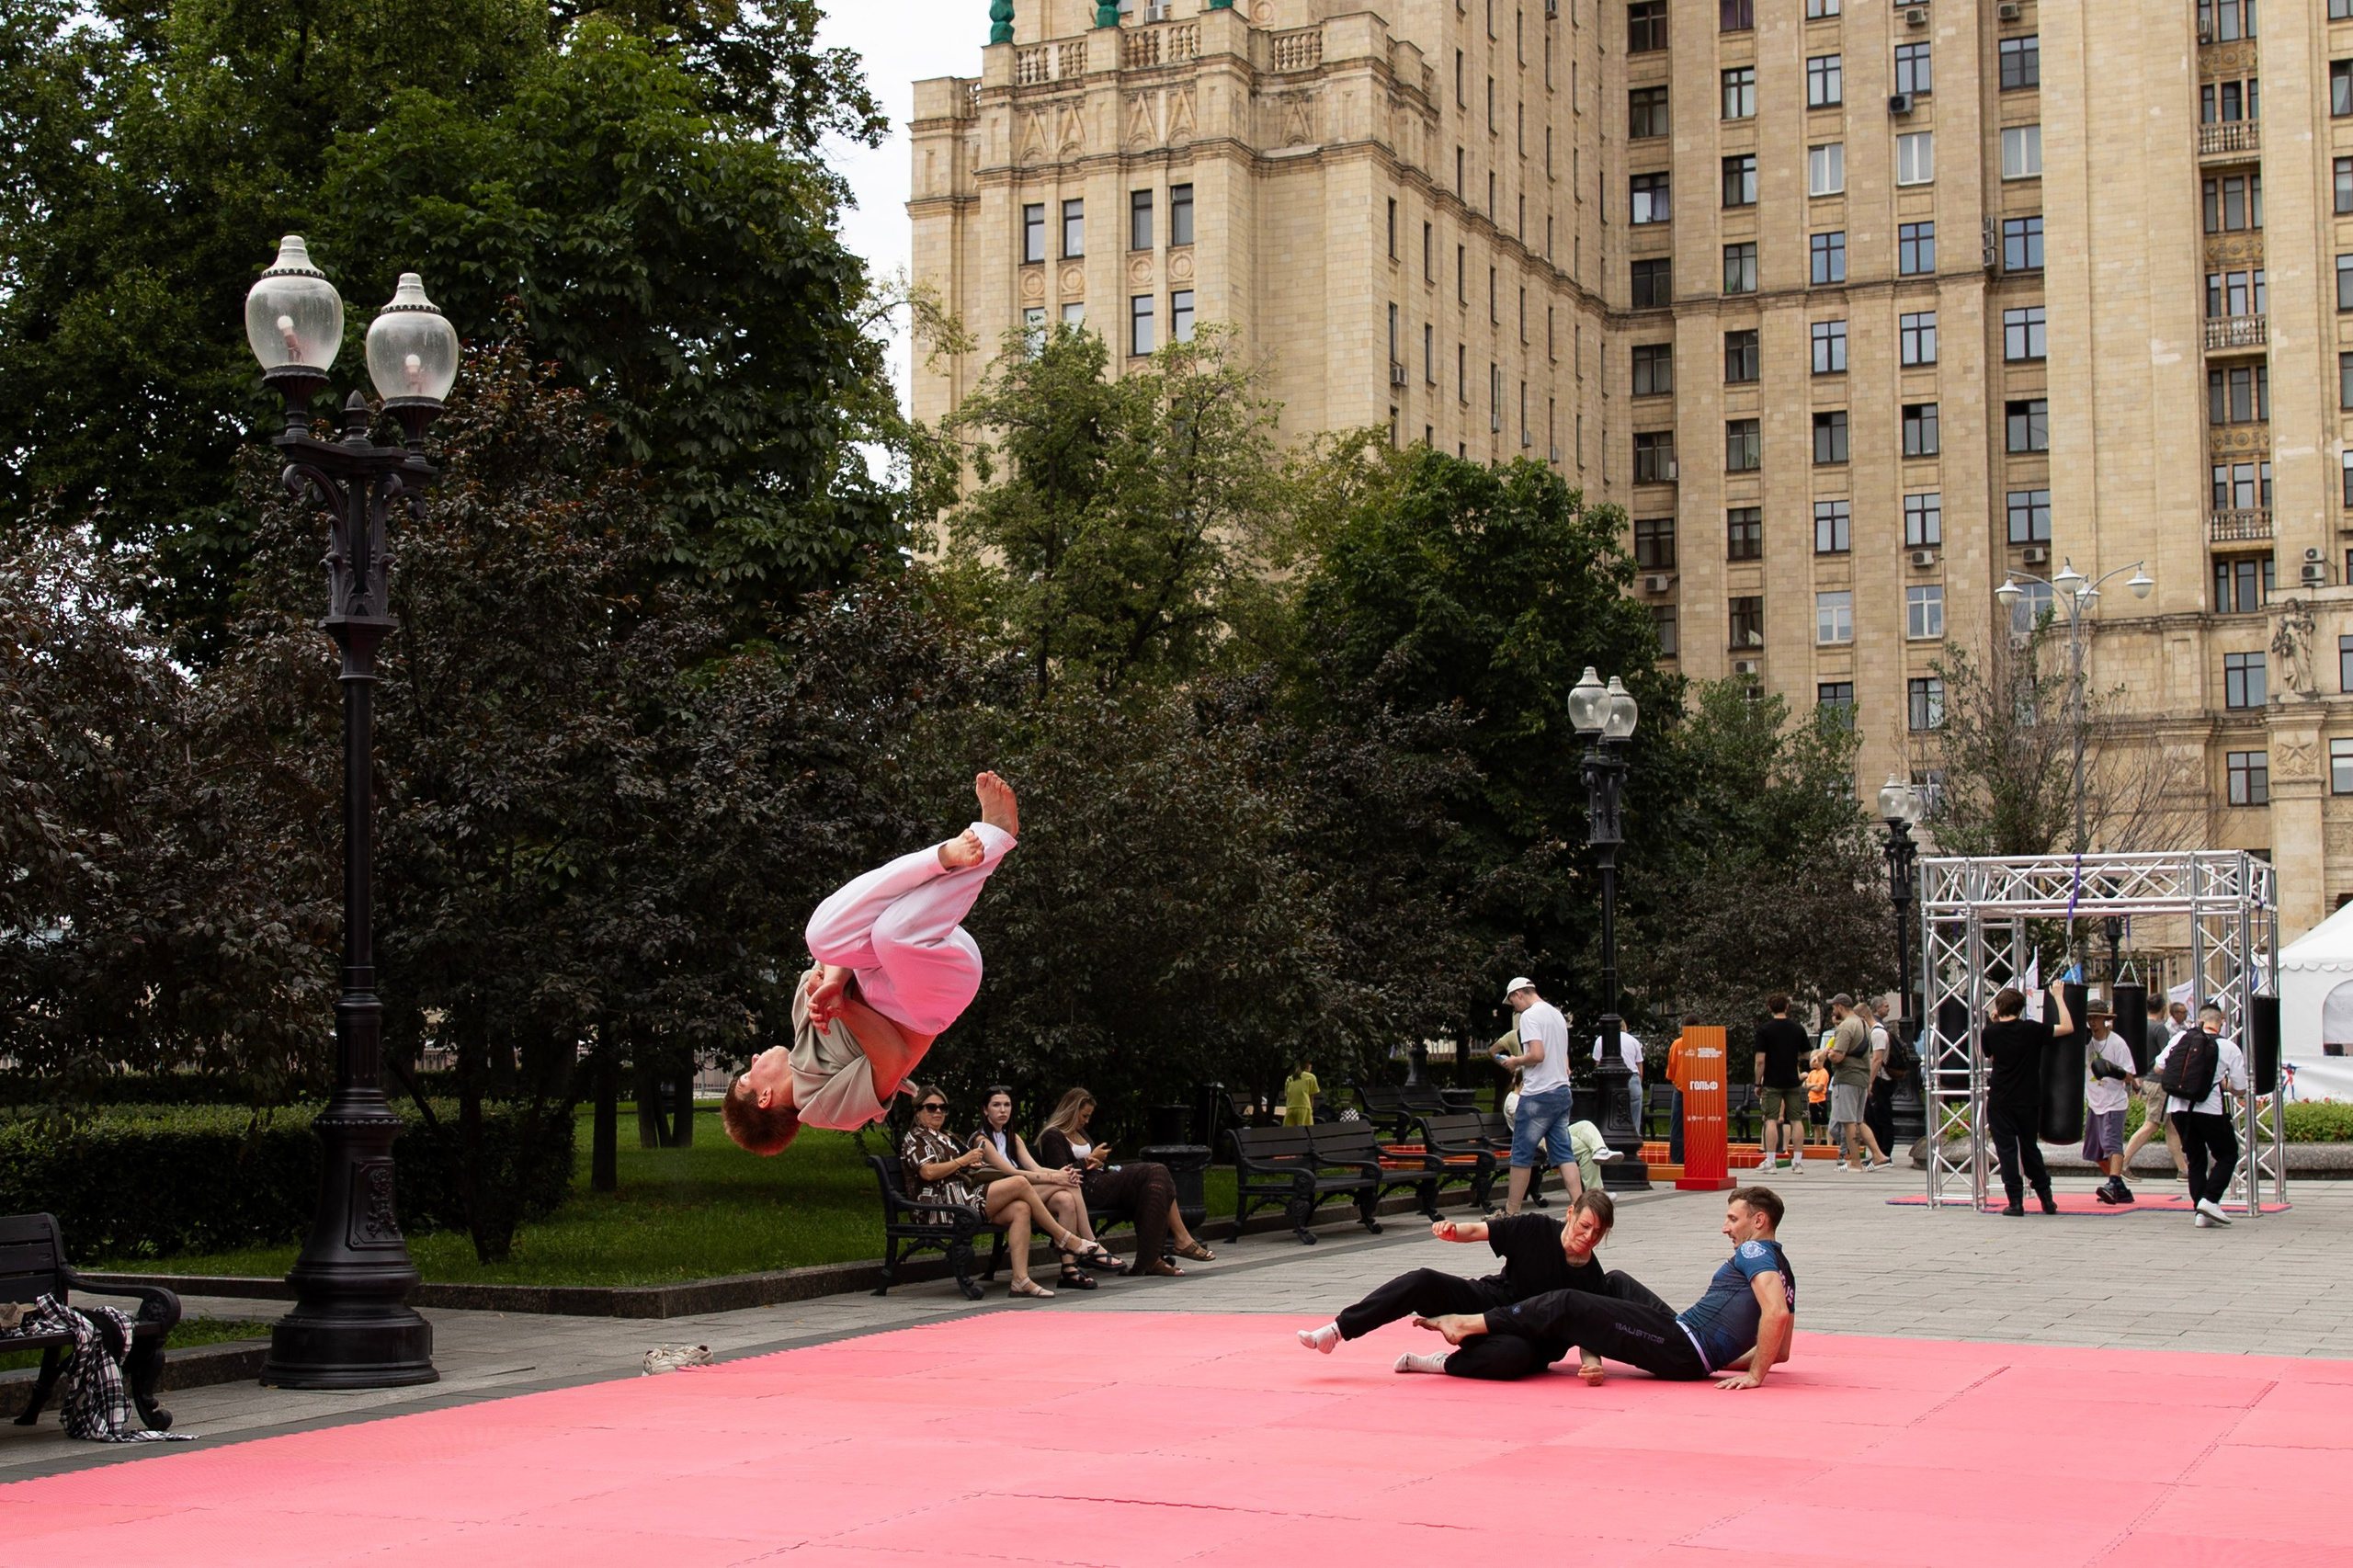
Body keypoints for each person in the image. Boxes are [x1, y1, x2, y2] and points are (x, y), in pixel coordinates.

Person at [724, 774, 1019, 1153]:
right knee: (891, 935)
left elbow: (833, 955)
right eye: (749, 1076)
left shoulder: (802, 1023)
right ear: (764, 1098)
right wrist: (843, 1008)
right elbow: (894, 1059)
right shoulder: (826, 1109)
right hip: (929, 995)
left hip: (917, 942)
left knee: (822, 935)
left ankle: (948, 854)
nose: (753, 1060)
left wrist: (833, 981)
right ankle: (994, 837)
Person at [1413, 1187, 1797, 1391]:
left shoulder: (1753, 1250)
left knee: (1567, 1302)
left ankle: (1469, 1325)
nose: (1725, 1227)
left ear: (1758, 1220)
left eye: (1733, 1218)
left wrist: (1754, 1376)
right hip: (1686, 1344)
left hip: (1682, 1347)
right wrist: (1724, 1360)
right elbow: (1780, 1351)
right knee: (1613, 1282)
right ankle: (1591, 1354)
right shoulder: (1785, 1269)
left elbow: (1775, 1314)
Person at [1293, 1191, 1619, 1381]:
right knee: (1424, 1280)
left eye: (1597, 1233)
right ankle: (1336, 1331)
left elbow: (1589, 1332)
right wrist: (1453, 1230)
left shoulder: (1592, 1276)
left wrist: (1592, 1366)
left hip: (1525, 1340)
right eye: (1585, 1226)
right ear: (1571, 1213)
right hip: (1489, 1301)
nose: (1588, 1237)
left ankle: (1437, 1363)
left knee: (1513, 1358)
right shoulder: (1535, 1228)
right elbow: (1480, 1231)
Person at [899, 1085, 1095, 1298]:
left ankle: (1020, 1280)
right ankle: (1064, 1238)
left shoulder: (947, 1136)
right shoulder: (915, 1138)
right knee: (1019, 1182)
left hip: (965, 1197)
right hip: (941, 1206)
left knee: (1020, 1208)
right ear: (918, 1111)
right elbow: (927, 1172)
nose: (938, 1112)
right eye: (931, 1107)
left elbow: (962, 1168)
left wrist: (971, 1166)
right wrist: (962, 1161)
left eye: (942, 1107)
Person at [1034, 1088, 1215, 1275]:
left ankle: (1151, 1260)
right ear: (1071, 1111)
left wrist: (1099, 1163)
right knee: (1156, 1170)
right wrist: (1088, 1161)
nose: (1086, 1121)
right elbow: (1061, 1174)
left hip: (1101, 1181)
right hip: (1084, 1190)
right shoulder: (1053, 1136)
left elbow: (1094, 1166)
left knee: (1156, 1186)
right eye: (1084, 1116)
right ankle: (1180, 1240)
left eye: (1089, 1117)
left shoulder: (1080, 1133)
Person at [972, 1086, 1126, 1288]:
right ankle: (1090, 1242)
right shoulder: (981, 1139)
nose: (1003, 1110)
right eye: (996, 1105)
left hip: (1022, 1192)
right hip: (997, 1197)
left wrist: (1061, 1174)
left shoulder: (1013, 1137)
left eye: (1007, 1105)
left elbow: (1034, 1167)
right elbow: (1011, 1173)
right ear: (985, 1110)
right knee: (1066, 1183)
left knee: (1066, 1198)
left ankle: (1069, 1269)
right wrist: (1056, 1178)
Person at [2152, 1005, 2250, 1228]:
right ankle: (2210, 1199)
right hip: (2210, 1108)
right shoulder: (2228, 1047)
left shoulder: (2181, 1038)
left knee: (2196, 1159)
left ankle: (2201, 1212)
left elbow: (2158, 1068)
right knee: (2227, 1154)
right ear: (2221, 1021)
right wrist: (2224, 1084)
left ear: (2200, 1020)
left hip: (2178, 1108)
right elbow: (2240, 1088)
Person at [1983, 982, 2075, 1216]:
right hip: (2028, 1098)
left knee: (2007, 1151)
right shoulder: (2032, 1029)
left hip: (2001, 1098)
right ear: (2021, 1008)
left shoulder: (1989, 1032)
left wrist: (1995, 1021)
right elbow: (2067, 1027)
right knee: (2029, 1148)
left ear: (1998, 1007)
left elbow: (1991, 1054)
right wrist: (2058, 997)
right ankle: (2046, 1198)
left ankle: (2015, 1202)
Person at [1494, 978, 1575, 1215]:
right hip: (1561, 1091)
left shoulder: (1529, 1016)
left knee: (1521, 1153)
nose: (1514, 1007)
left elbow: (1537, 1055)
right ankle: (1579, 1206)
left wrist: (1514, 1061)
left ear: (1519, 994)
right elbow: (1562, 1056)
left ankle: (1511, 1211)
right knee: (1564, 1153)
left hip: (1537, 1095)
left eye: (1512, 1001)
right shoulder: (1556, 1014)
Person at [2120, 994, 2189, 1186]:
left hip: (2148, 1079)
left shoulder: (2141, 1026)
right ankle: (2122, 1163)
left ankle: (2183, 1169)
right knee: (2151, 1124)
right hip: (2159, 1081)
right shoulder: (2160, 1029)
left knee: (2171, 1126)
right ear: (2164, 1008)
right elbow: (2168, 1056)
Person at [2081, 1009, 2140, 1206]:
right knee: (2096, 1152)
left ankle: (2113, 1182)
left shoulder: (2117, 1043)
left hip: (2114, 1102)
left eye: (2096, 1018)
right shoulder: (2086, 1042)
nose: (2093, 1022)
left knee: (2112, 1144)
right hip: (2094, 1102)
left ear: (2105, 1019)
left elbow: (2130, 1075)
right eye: (2089, 1018)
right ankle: (2121, 1188)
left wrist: (2112, 1070)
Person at [1754, 995, 1809, 1174]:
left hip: (1772, 1081)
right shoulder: (1797, 1028)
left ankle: (1770, 1161)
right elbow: (1807, 1054)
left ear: (1769, 1008)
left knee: (1770, 1119)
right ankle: (1798, 1162)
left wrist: (1757, 1082)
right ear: (1787, 1006)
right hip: (1792, 1080)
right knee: (1796, 1120)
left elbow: (1760, 1060)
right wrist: (1792, 1055)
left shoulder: (1764, 1030)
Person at [1666, 1014, 1703, 1166]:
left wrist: (1677, 1081)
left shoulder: (1677, 1044)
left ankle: (1677, 1159)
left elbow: (1671, 1069)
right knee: (1699, 1125)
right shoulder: (1703, 1044)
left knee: (1677, 1126)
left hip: (1680, 1087)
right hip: (1700, 1088)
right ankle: (1699, 1155)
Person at [1282, 1061, 1321, 1127]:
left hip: (1290, 1108)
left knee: (1288, 1133)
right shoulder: (1311, 1077)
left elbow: (1288, 1096)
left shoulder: (1290, 1078)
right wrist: (1310, 1110)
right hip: (1304, 1108)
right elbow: (1311, 1097)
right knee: (1306, 1132)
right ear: (1308, 1065)